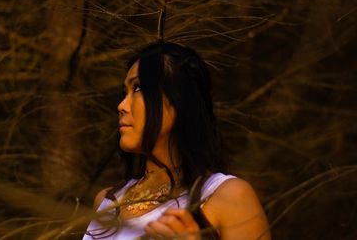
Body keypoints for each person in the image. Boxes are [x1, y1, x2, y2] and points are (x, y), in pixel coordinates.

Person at [83, 42, 271, 240]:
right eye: (125, 93)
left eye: (137, 88)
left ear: (179, 100)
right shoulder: (107, 202)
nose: (121, 105)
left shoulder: (228, 197)